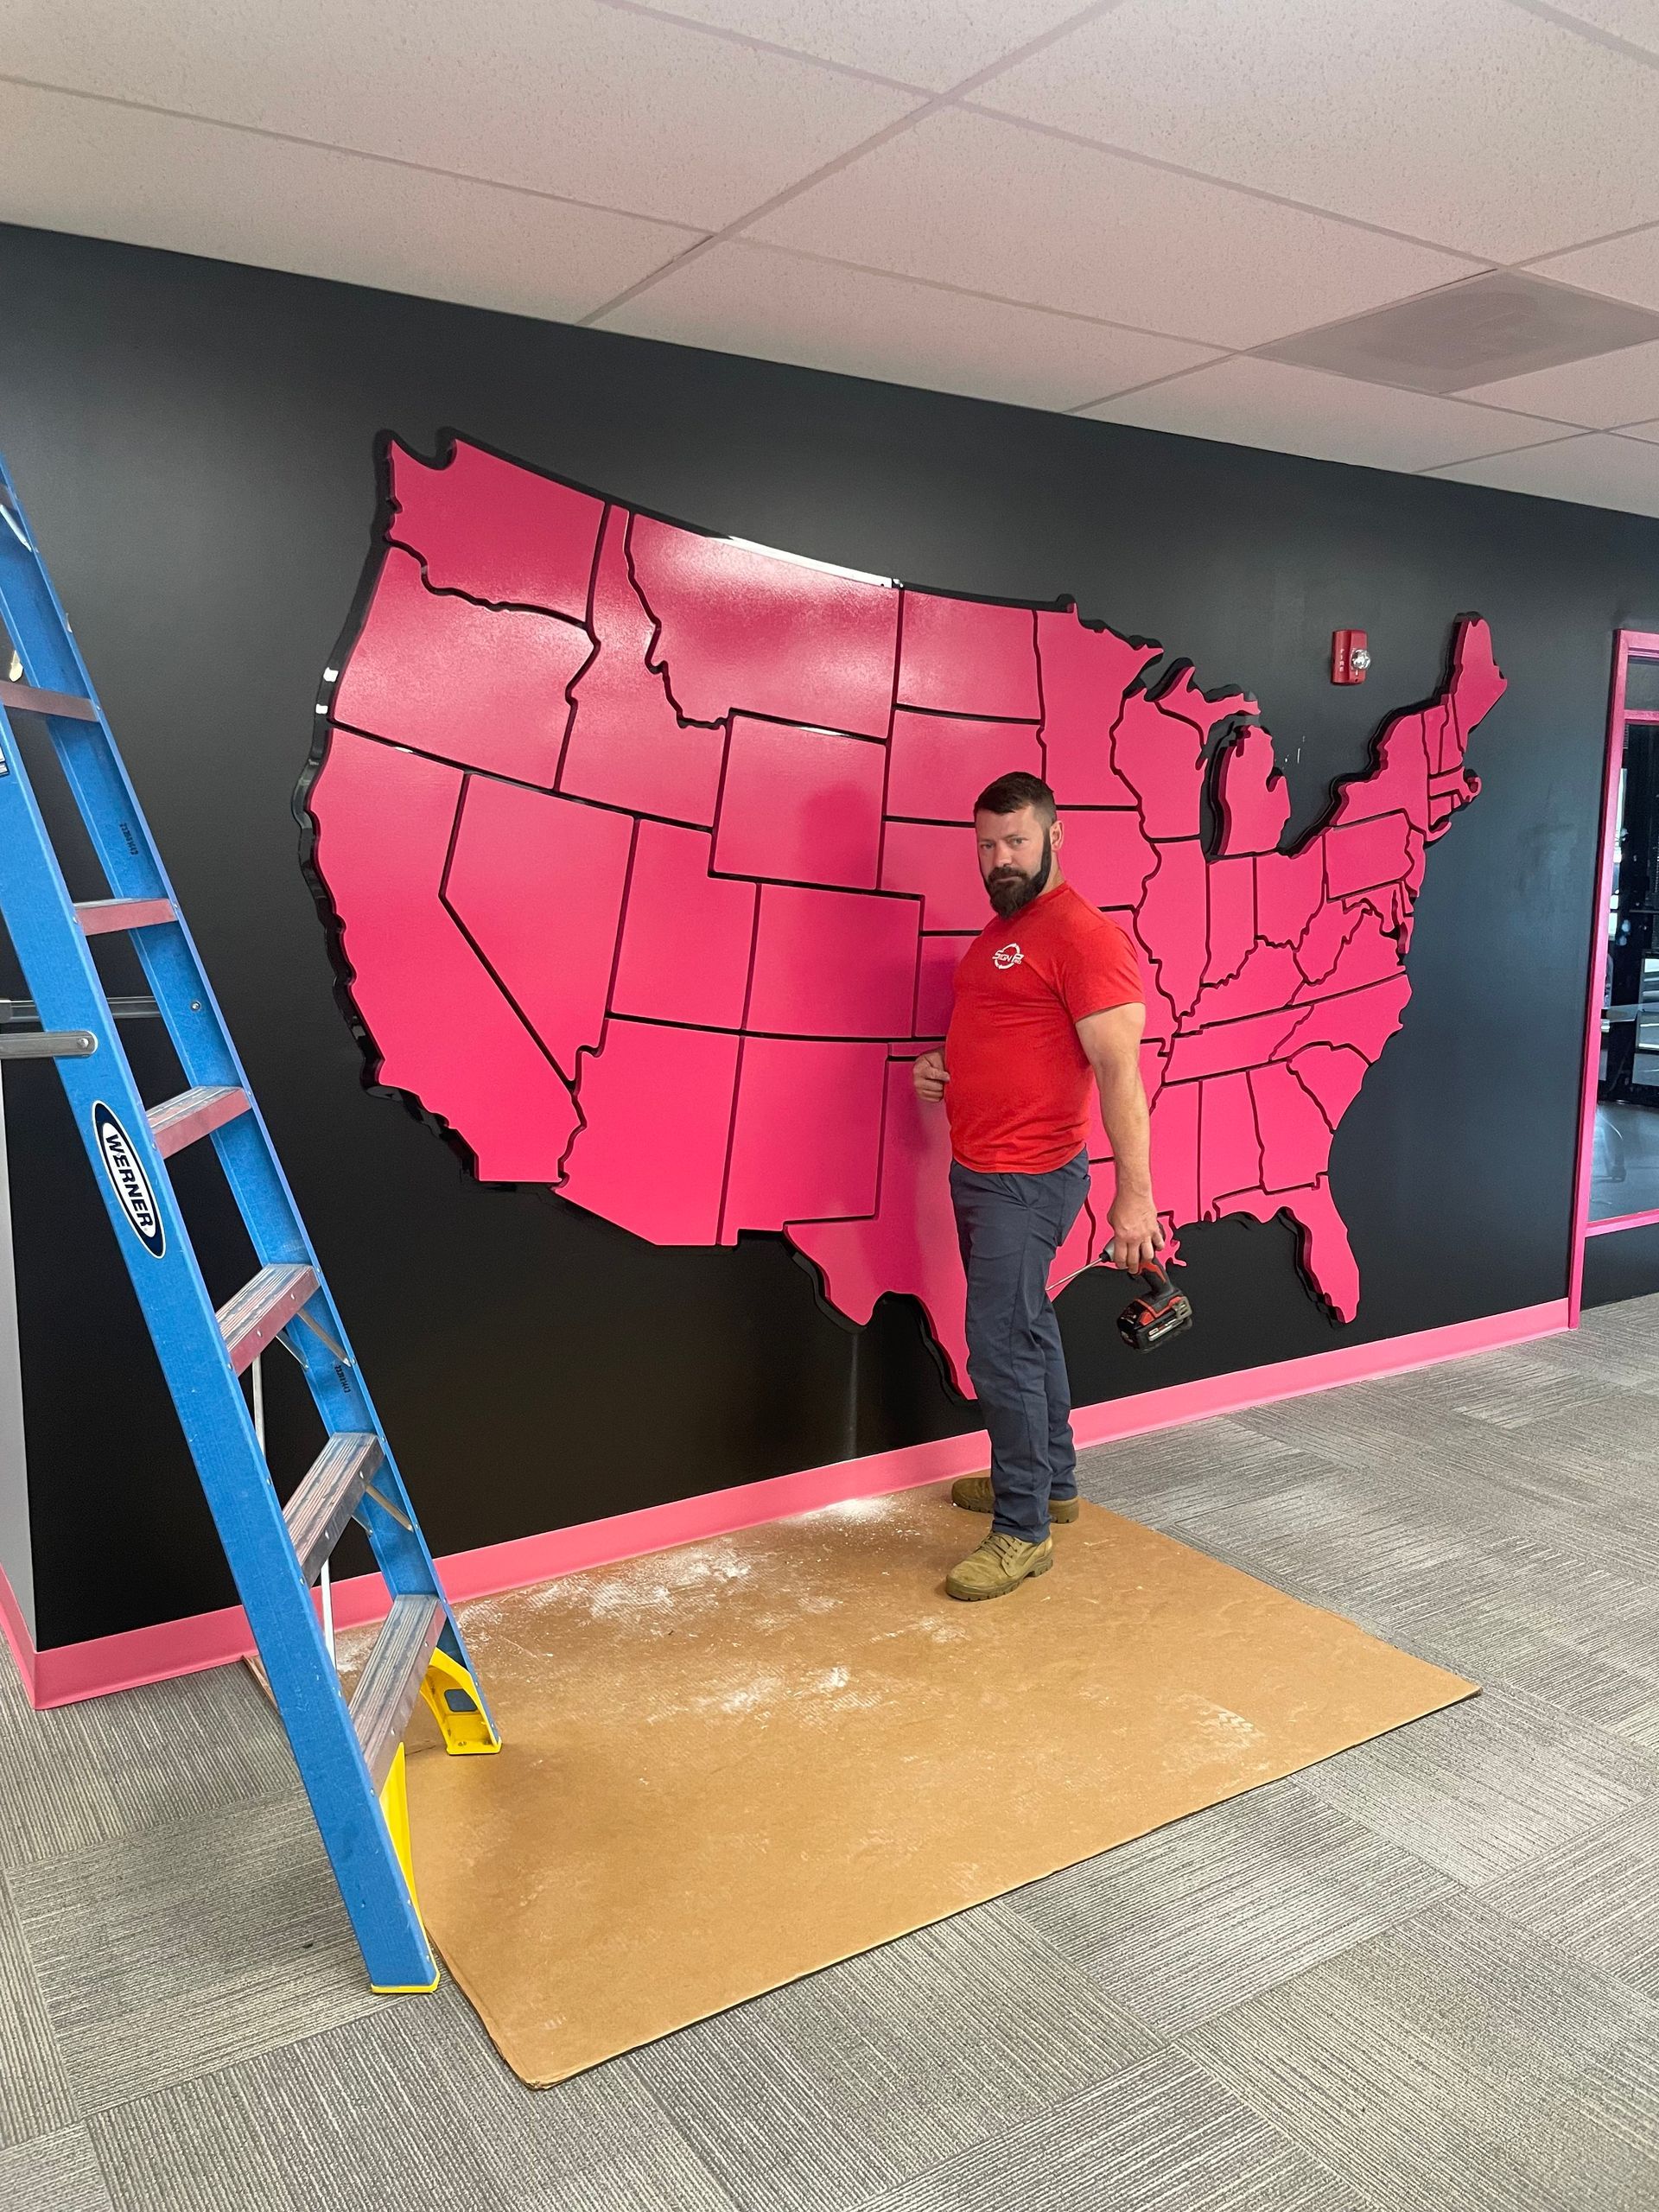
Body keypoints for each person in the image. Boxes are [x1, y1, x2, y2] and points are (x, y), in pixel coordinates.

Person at [912, 771, 1162, 1602]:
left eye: (1016, 840)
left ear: (1056, 836)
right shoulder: (1001, 933)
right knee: (1026, 1328)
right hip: (979, 1167)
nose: (1000, 858)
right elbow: (1015, 1038)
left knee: (1000, 1345)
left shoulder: (1083, 935)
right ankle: (1051, 1482)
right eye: (987, 844)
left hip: (1028, 1177)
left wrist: (1137, 1198)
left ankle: (1022, 1531)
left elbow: (1119, 1073)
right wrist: (951, 1067)